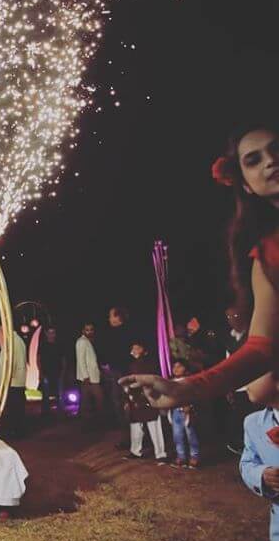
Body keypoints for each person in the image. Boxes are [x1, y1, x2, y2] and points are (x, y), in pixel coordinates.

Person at [121, 122, 279, 407]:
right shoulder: (268, 255)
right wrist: (185, 390)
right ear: (245, 184)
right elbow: (261, 348)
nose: (271, 161)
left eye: (276, 149)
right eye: (253, 160)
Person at [239, 373, 279, 541]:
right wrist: (261, 474)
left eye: (254, 372)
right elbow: (247, 462)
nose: (245, 383)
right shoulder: (253, 423)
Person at [124, 342, 167, 464]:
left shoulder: (150, 364)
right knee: (136, 426)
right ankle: (135, 451)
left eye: (138, 348)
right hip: (135, 399)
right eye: (133, 348)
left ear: (144, 350)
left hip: (148, 398)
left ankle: (160, 453)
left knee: (154, 425)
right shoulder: (131, 365)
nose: (135, 350)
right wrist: (128, 399)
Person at [224, 305, 256, 455]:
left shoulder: (252, 335)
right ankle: (243, 446)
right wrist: (228, 388)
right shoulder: (230, 340)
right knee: (242, 418)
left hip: (255, 384)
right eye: (229, 318)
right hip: (239, 388)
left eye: (235, 317)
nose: (232, 320)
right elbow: (228, 367)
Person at [102, 307, 134, 448]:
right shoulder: (123, 332)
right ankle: (129, 437)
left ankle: (128, 438)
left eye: (110, 316)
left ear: (116, 317)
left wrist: (109, 366)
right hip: (119, 371)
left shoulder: (121, 334)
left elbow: (119, 354)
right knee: (121, 404)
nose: (108, 319)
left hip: (121, 372)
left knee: (122, 404)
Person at [167, 359, 200, 468]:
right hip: (175, 411)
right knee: (177, 436)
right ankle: (181, 457)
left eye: (179, 366)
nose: (176, 369)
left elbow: (194, 395)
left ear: (185, 368)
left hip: (187, 412)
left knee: (191, 435)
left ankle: (194, 457)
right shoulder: (170, 382)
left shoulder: (189, 381)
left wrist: (189, 406)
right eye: (174, 366)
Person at [0, 324, 27, 438]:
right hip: (14, 381)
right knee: (16, 408)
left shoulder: (13, 342)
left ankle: (15, 431)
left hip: (13, 382)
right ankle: (16, 430)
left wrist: (7, 379)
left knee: (15, 409)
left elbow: (12, 363)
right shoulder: (14, 341)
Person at [76, 322, 104, 422]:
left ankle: (90, 423)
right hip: (89, 378)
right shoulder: (82, 341)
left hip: (92, 377)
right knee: (95, 400)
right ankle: (91, 422)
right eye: (87, 329)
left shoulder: (88, 341)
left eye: (91, 329)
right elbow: (81, 360)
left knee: (87, 401)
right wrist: (86, 376)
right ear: (83, 331)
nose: (90, 331)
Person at [38, 326, 62, 417]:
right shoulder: (43, 345)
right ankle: (45, 413)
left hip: (57, 372)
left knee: (59, 393)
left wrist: (62, 372)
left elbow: (63, 359)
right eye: (50, 332)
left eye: (53, 332)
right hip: (46, 373)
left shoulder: (59, 345)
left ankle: (60, 412)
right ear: (46, 333)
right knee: (46, 394)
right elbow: (38, 359)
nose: (52, 335)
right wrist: (40, 372)